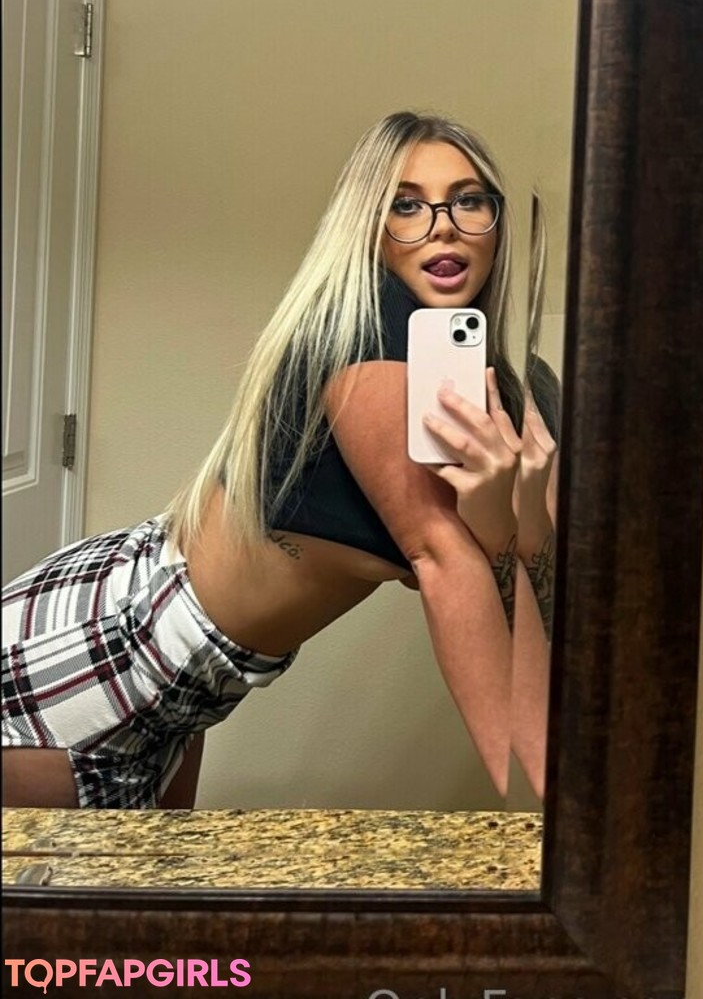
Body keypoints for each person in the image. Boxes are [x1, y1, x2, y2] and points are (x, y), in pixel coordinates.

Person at [1, 111, 556, 811]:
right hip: (106, 645)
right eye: (406, 205)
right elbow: (445, 558)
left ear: (496, 221)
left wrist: (513, 523)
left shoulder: (520, 390)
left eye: (468, 200)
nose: (442, 226)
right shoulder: (363, 326)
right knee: (45, 884)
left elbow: (539, 585)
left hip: (191, 693)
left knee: (144, 884)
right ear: (370, 230)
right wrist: (564, 811)